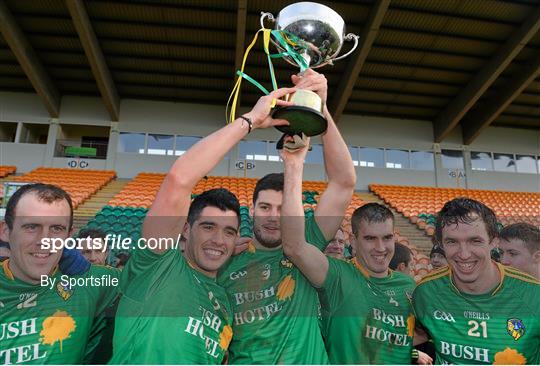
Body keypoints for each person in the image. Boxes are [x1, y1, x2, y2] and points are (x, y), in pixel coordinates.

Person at [110, 86, 298, 364]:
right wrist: (249, 122)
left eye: (228, 231)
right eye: (208, 227)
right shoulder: (157, 265)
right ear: (186, 230)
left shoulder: (224, 301)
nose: (218, 240)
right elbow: (179, 179)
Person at [217, 69, 356, 364]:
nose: (273, 217)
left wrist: (321, 109)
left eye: (282, 209)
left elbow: (343, 182)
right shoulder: (224, 261)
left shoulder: (308, 243)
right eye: (265, 207)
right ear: (251, 209)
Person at [279, 135, 420, 365]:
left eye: (387, 238)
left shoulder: (407, 286)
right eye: (370, 239)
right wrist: (294, 166)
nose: (381, 248)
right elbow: (295, 246)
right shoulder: (337, 276)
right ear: (353, 241)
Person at [0, 183, 119, 364]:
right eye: (31, 227)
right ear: (6, 231)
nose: (44, 241)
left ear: (69, 235)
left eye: (56, 229)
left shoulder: (90, 281)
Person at [413, 198, 540, 364]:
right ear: (441, 244)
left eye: (475, 241)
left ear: (494, 241)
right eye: (452, 241)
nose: (464, 254)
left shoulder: (534, 295)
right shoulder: (426, 292)